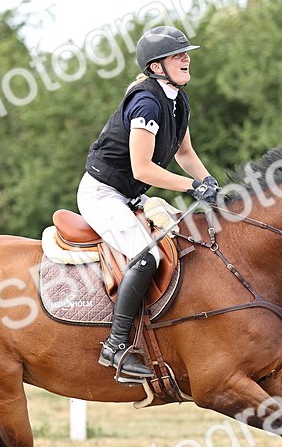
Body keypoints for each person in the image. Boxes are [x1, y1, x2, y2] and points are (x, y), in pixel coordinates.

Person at [79, 26, 220, 383]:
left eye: (186, 53)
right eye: (178, 55)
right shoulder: (146, 103)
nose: (187, 58)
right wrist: (192, 187)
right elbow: (144, 167)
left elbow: (185, 153)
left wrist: (211, 184)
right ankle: (115, 346)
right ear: (157, 67)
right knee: (148, 256)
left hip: (132, 195)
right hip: (103, 193)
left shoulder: (177, 99)